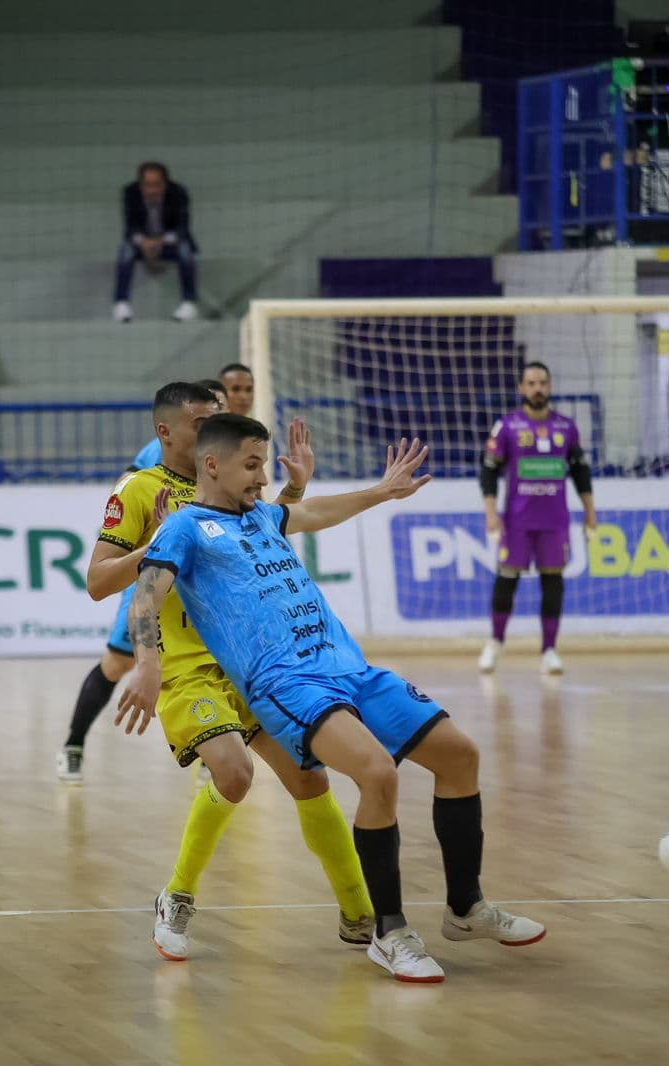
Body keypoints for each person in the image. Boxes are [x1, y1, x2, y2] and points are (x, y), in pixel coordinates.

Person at [121, 414, 546, 983]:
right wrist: (147, 666)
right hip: (286, 683)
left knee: (459, 755)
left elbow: (315, 511)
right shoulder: (187, 527)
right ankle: (389, 932)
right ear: (213, 464)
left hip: (349, 667)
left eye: (264, 464)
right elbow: (145, 596)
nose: (261, 475)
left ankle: (466, 908)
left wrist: (381, 490)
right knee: (377, 774)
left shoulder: (262, 515)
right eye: (252, 464)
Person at [85, 384, 373, 960]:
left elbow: (267, 530)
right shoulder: (140, 490)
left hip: (253, 661)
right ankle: (178, 894)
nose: (210, 430)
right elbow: (97, 582)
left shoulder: (222, 487)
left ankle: (362, 914)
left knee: (310, 781)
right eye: (200, 422)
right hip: (189, 667)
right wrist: (161, 545)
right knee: (234, 775)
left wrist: (296, 487)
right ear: (166, 433)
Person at [61, 378, 229, 784]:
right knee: (118, 663)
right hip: (155, 594)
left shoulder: (230, 466)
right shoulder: (155, 467)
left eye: (242, 392)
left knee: (252, 771)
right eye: (212, 411)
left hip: (212, 620)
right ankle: (74, 745)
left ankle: (218, 752)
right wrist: (156, 544)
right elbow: (132, 501)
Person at [478, 362, 597, 675]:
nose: (537, 388)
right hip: (516, 521)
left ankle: (549, 651)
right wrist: (491, 514)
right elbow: (489, 471)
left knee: (553, 583)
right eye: (531, 383)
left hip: (554, 521)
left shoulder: (566, 428)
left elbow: (581, 472)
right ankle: (495, 642)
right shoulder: (507, 427)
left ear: (550, 386)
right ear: (521, 388)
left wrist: (590, 510)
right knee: (506, 581)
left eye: (542, 382)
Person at [113, 162, 197, 324]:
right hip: (141, 245)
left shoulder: (178, 193)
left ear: (165, 184)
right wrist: (143, 242)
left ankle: (189, 302)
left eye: (157, 185)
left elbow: (182, 229)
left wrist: (158, 241)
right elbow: (129, 229)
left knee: (185, 250)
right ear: (140, 185)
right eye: (147, 185)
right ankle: (121, 303)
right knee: (125, 250)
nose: (152, 190)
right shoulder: (130, 193)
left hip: (168, 244)